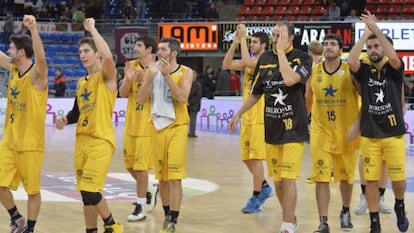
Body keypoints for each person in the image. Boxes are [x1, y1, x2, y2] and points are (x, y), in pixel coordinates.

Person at [229, 22, 312, 233]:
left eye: (281, 35)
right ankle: (290, 216)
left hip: (294, 128)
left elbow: (291, 79)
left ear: (291, 38)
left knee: (288, 177)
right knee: (278, 180)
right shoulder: (265, 59)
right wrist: (240, 112)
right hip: (272, 128)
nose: (276, 38)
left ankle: (286, 224)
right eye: (274, 35)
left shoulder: (303, 58)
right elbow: (257, 92)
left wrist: (282, 54)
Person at [55, 18, 123, 233]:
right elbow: (77, 112)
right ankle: (90, 230)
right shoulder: (81, 82)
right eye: (80, 52)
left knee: (90, 189)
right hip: (81, 141)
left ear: (96, 54)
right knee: (86, 195)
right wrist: (65, 119)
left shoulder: (107, 78)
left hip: (100, 140)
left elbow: (109, 57)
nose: (82, 55)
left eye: (86, 51)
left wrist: (92, 29)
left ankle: (112, 225)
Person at [348, 11, 409, 233]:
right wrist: (365, 35)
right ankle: (375, 221)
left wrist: (378, 30)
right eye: (370, 47)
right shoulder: (363, 69)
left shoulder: (394, 69)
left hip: (393, 133)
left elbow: (393, 58)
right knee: (371, 182)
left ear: (383, 47)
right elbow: (351, 60)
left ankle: (400, 204)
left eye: (377, 46)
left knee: (399, 180)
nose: (373, 50)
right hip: (370, 134)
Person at [137, 37, 193, 233]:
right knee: (163, 178)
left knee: (175, 177)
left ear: (173, 53)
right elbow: (140, 99)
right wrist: (150, 78)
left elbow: (182, 98)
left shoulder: (186, 72)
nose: (158, 52)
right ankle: (167, 213)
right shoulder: (150, 71)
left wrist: (167, 76)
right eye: (158, 49)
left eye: (162, 49)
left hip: (177, 127)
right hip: (157, 128)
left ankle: (173, 220)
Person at [305, 34, 359, 233]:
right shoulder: (314, 72)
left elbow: (366, 96)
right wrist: (303, 120)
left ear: (340, 49)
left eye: (333, 44)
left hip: (346, 132)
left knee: (346, 177)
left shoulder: (350, 71)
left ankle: (345, 210)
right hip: (321, 131)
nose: (328, 47)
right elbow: (307, 98)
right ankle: (323, 221)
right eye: (326, 44)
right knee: (321, 177)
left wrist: (358, 123)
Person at [0, 15, 48, 233]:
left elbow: (41, 59)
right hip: (9, 141)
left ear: (21, 52)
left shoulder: (37, 77)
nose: (8, 50)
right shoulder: (12, 69)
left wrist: (34, 30)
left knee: (32, 191)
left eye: (11, 47)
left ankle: (30, 228)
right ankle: (16, 218)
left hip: (30, 144)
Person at [222, 24, 273, 213]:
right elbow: (227, 65)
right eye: (250, 42)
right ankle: (265, 187)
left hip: (261, 114)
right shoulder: (248, 60)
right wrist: (235, 43)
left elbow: (249, 62)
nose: (252, 45)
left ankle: (257, 194)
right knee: (246, 158)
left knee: (256, 158)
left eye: (255, 43)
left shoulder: (266, 59)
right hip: (247, 114)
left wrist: (243, 37)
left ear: (264, 45)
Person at [118, 36, 159, 222]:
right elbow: (122, 93)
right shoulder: (131, 65)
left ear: (149, 49)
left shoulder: (157, 69)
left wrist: (146, 81)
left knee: (141, 167)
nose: (135, 48)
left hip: (147, 124)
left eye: (139, 45)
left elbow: (156, 97)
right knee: (129, 165)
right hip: (131, 122)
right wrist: (127, 80)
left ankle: (140, 205)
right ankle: (149, 188)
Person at [188, 70, 202, 137]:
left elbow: (198, 96)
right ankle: (188, 132)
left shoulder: (197, 85)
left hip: (194, 106)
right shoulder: (188, 83)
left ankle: (192, 133)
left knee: (193, 120)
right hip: (187, 105)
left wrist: (190, 102)